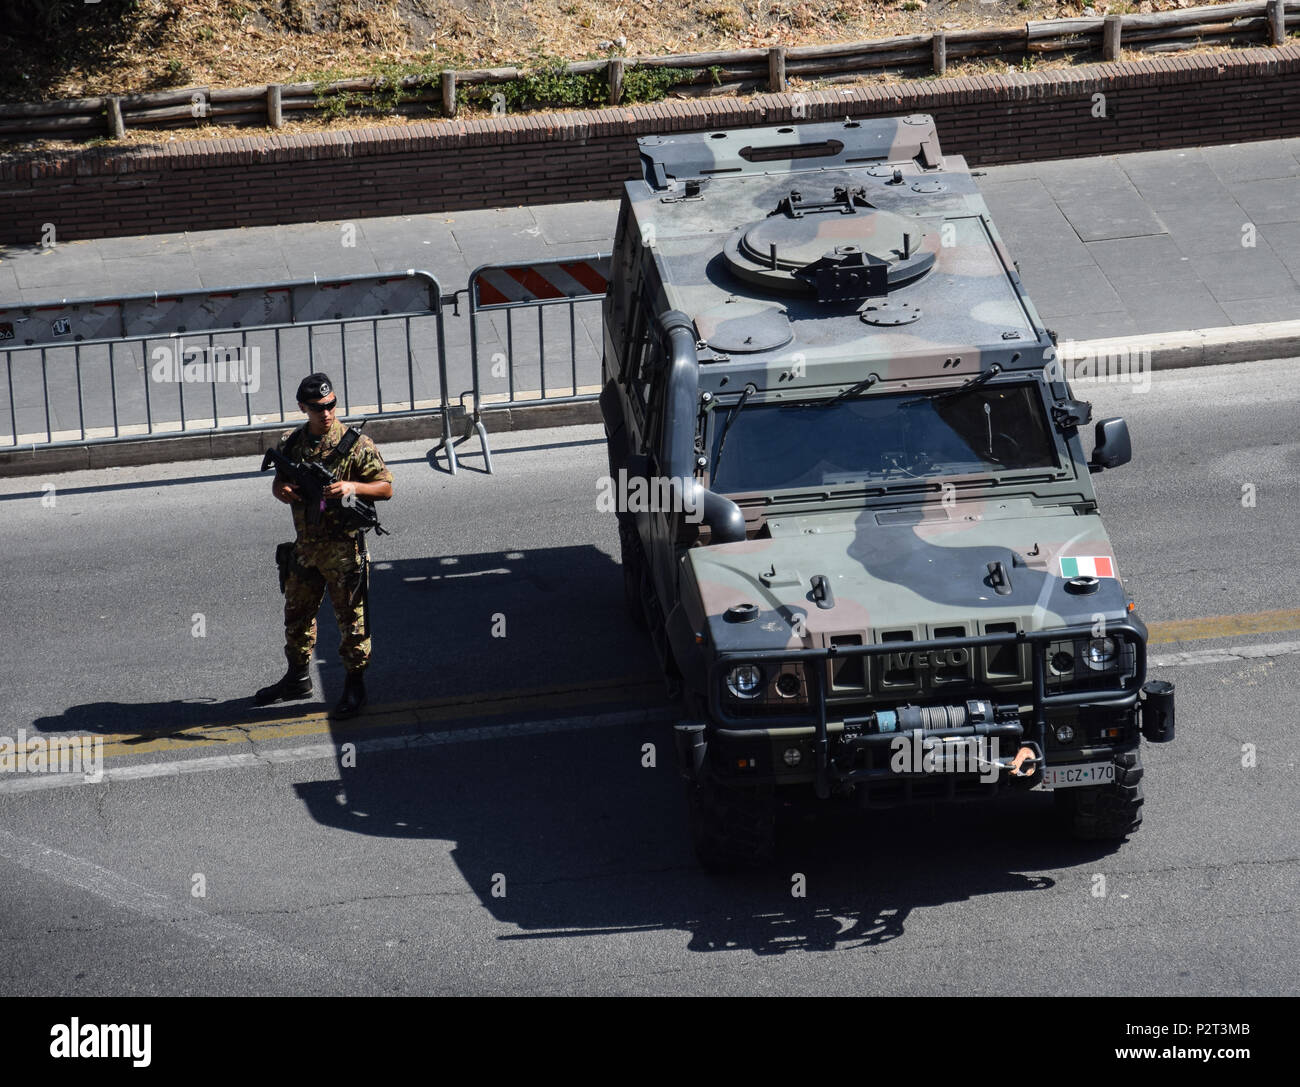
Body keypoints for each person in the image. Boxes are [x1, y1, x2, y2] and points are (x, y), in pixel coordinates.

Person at [254, 373, 393, 718]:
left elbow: (386, 487)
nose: (326, 413)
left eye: (331, 405)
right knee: (296, 617)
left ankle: (354, 685)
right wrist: (280, 490)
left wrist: (351, 487)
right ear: (302, 407)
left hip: (344, 552)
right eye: (318, 408)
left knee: (352, 623)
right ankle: (297, 679)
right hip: (305, 550)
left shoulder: (356, 444)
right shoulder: (292, 443)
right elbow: (280, 483)